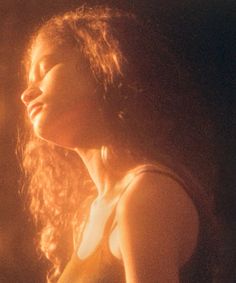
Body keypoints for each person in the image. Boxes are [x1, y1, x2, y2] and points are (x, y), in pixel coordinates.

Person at [20, 5, 221, 283]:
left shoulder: (147, 193)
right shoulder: (91, 214)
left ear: (99, 64)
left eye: (45, 69)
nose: (27, 94)